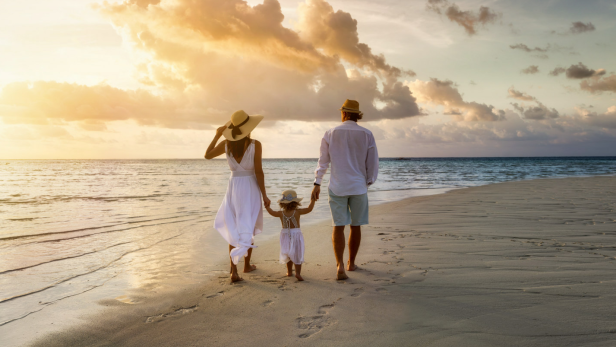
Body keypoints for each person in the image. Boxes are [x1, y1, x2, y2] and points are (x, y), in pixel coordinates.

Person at [311, 99, 379, 280]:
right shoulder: (367, 134)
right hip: (358, 186)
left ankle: (339, 264)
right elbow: (372, 162)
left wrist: (317, 183)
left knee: (338, 226)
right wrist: (368, 182)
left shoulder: (330, 133)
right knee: (355, 226)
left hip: (337, 186)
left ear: (344, 113)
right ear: (357, 115)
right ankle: (351, 262)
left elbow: (323, 161)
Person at [204, 110, 271, 283]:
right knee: (248, 223)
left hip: (233, 188)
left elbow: (207, 155)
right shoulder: (255, 144)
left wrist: (217, 135)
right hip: (250, 187)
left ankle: (233, 271)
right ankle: (246, 265)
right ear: (249, 128)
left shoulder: (227, 144)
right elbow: (258, 172)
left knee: (234, 226)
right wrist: (264, 195)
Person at [265, 190, 315, 281]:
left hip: (285, 235)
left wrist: (267, 207)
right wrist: (313, 200)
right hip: (296, 234)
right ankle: (298, 273)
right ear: (296, 203)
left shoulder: (281, 213)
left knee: (288, 253)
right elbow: (309, 209)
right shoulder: (297, 212)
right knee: (297, 254)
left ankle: (289, 272)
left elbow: (271, 212)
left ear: (282, 204)